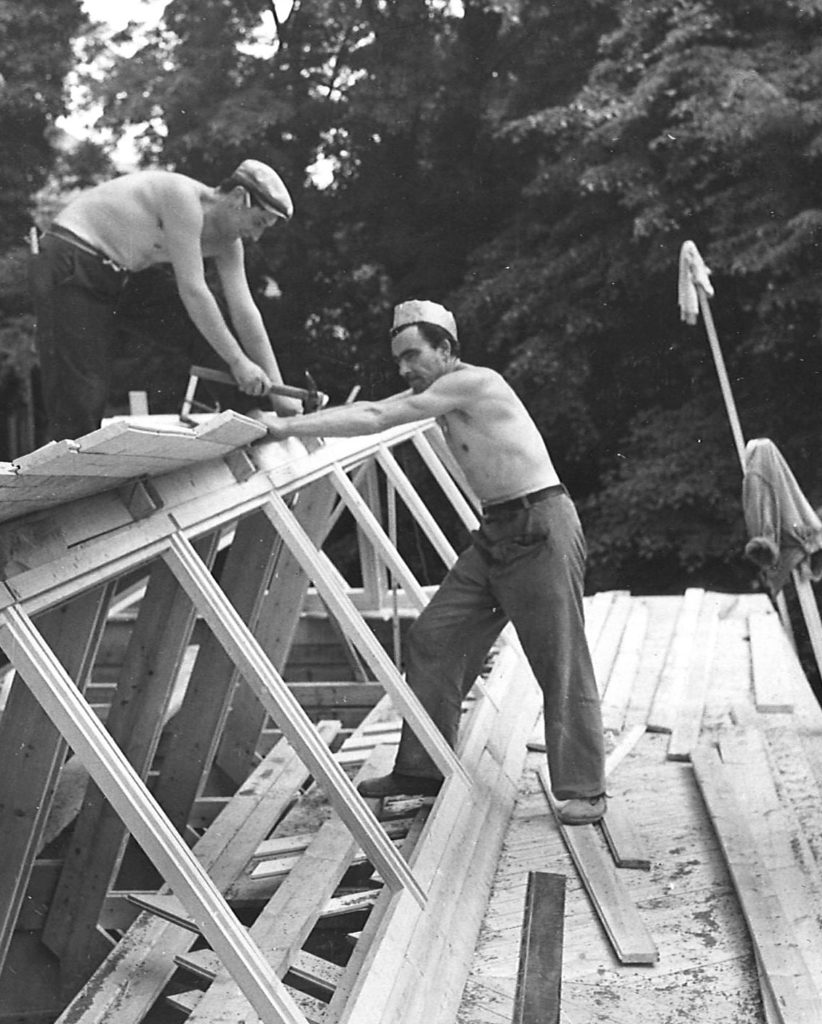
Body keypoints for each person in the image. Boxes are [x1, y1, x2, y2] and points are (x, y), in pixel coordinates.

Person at [266, 300, 607, 824]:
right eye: (399, 360)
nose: (405, 369)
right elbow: (377, 409)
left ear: (446, 350)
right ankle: (422, 768)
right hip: (498, 532)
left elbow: (378, 414)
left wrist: (285, 428)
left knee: (558, 655)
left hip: (539, 527)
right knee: (434, 637)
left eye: (413, 356)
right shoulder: (441, 393)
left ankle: (584, 789)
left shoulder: (475, 383)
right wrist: (312, 419)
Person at [30, 160, 300, 442]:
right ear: (237, 198)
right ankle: (71, 475)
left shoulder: (229, 244)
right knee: (82, 392)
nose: (256, 235)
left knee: (209, 330)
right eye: (258, 222)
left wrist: (278, 392)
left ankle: (249, 416)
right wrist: (239, 362)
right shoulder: (182, 197)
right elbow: (193, 290)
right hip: (70, 264)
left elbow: (245, 313)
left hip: (122, 275)